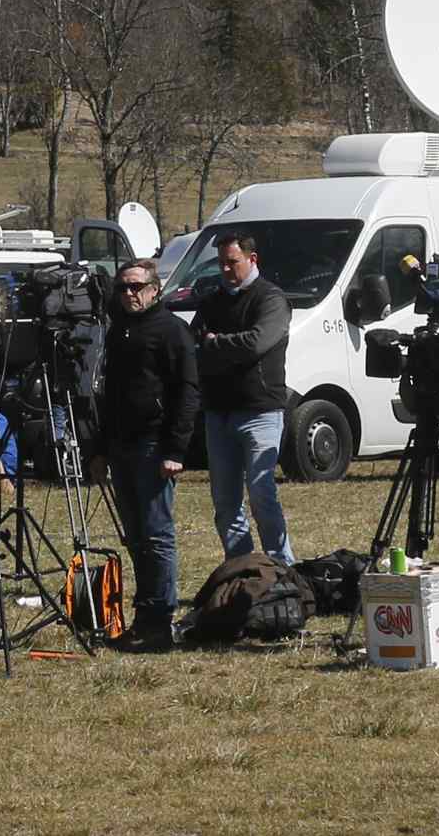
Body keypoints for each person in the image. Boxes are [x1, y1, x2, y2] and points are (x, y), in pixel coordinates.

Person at [93, 255, 199, 649]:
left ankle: (158, 621)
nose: (129, 294)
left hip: (155, 446)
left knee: (156, 536)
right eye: (122, 288)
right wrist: (101, 448)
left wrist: (175, 450)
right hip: (121, 444)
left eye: (136, 287)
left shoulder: (171, 331)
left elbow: (187, 393)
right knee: (135, 536)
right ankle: (143, 615)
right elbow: (109, 396)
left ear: (155, 290)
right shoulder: (118, 331)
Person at [191, 234, 292, 562]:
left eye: (232, 262)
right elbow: (194, 347)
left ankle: (282, 568)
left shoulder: (271, 299)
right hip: (218, 413)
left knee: (262, 495)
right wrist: (216, 346)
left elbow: (257, 344)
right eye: (221, 262)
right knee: (225, 504)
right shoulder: (211, 302)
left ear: (252, 259)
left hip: (260, 411)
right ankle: (243, 568)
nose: (225, 269)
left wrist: (216, 343)